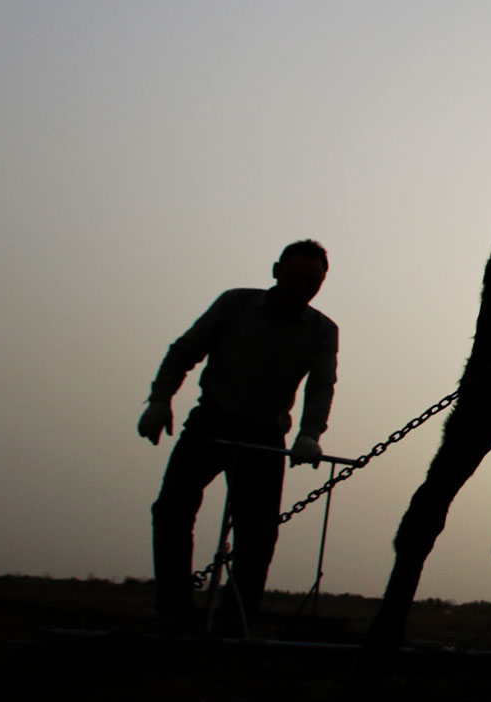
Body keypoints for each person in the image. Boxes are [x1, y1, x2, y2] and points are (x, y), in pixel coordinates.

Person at [137, 240, 339, 629]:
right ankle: (173, 605)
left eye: (312, 282)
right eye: (296, 277)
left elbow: (321, 386)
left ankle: (238, 615)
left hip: (264, 436)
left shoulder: (322, 331)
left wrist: (310, 434)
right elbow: (185, 350)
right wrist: (160, 400)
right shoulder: (234, 305)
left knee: (258, 532)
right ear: (276, 270)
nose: (302, 288)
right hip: (211, 423)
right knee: (172, 510)